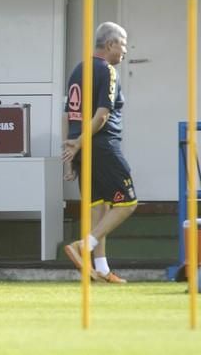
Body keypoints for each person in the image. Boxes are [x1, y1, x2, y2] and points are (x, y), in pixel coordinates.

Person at [62, 21, 137, 283]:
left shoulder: (77, 70)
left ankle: (102, 270)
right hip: (102, 145)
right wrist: (82, 142)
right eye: (123, 45)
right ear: (110, 44)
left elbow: (68, 115)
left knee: (100, 209)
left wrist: (71, 153)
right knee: (127, 203)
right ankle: (83, 246)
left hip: (81, 148)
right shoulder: (107, 71)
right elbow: (102, 116)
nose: (125, 52)